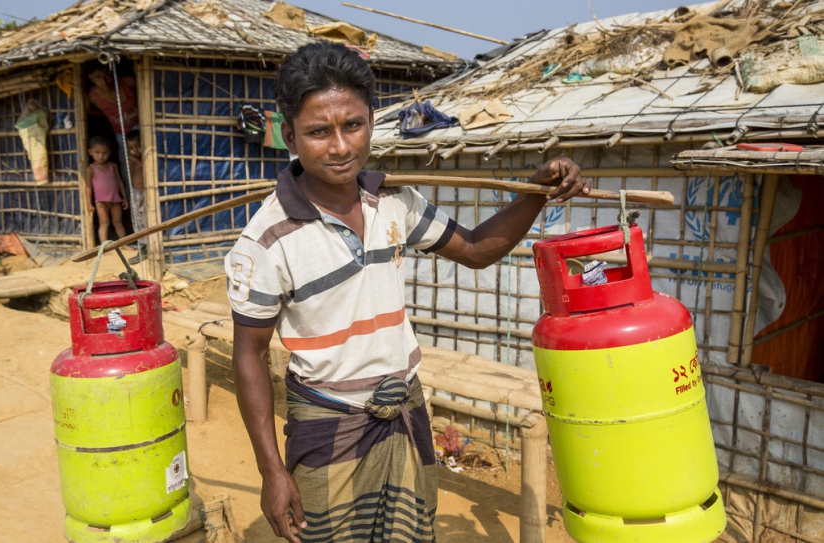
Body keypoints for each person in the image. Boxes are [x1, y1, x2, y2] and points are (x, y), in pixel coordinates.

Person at [224, 42, 590, 543]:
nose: (340, 147)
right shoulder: (265, 240)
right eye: (317, 132)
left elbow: (479, 248)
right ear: (289, 135)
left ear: (371, 122)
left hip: (405, 411)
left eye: (352, 125)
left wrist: (534, 189)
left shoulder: (395, 202)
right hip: (327, 424)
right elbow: (248, 355)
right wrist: (271, 471)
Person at [87, 63, 139, 181]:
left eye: (107, 75)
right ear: (91, 78)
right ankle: (132, 194)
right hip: (120, 133)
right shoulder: (93, 97)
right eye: (98, 77)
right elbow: (89, 111)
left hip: (140, 126)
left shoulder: (128, 83)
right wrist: (107, 114)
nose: (104, 81)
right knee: (126, 162)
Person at [84, 135, 129, 244]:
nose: (101, 156)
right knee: (104, 223)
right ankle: (104, 247)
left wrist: (124, 198)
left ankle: (124, 244)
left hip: (115, 200)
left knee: (118, 223)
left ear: (109, 152)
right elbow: (88, 187)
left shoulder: (112, 166)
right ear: (90, 152)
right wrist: (89, 203)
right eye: (97, 152)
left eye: (104, 153)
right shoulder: (90, 169)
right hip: (100, 202)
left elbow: (119, 182)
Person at [126, 129, 147, 262]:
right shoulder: (131, 160)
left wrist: (135, 160)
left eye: (138, 146)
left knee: (146, 219)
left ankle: (147, 248)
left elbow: (145, 169)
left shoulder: (146, 158)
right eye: (131, 148)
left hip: (146, 193)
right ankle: (142, 247)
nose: (135, 150)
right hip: (135, 192)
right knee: (137, 219)